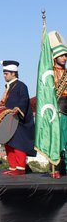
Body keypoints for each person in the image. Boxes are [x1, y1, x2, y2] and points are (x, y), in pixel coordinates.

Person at [0, 60, 36, 175]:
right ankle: (13, 167)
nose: (4, 76)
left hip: (19, 120)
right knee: (8, 142)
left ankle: (20, 168)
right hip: (9, 120)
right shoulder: (8, 88)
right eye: (4, 73)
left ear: (13, 73)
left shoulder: (21, 86)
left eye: (6, 73)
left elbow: (24, 100)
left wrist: (18, 108)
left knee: (18, 143)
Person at [48, 31, 67, 178]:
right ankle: (57, 168)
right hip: (57, 109)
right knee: (57, 141)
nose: (65, 58)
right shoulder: (49, 73)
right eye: (62, 55)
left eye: (66, 56)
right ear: (55, 57)